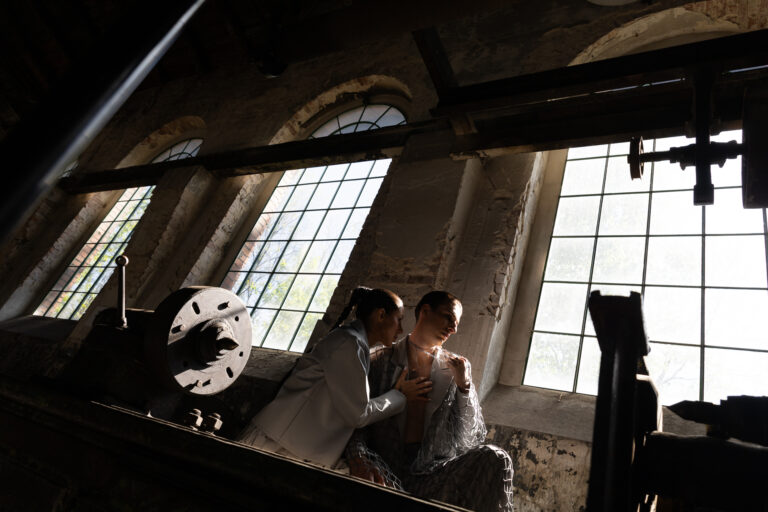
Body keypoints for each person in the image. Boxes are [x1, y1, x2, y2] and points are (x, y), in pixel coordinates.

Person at [346, 291, 514, 511]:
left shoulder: (455, 369)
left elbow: (469, 438)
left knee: (497, 458)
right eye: (448, 318)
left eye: (456, 324)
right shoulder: (379, 359)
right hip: (385, 466)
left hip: (433, 475)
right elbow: (357, 416)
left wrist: (464, 386)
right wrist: (357, 456)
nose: (453, 328)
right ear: (425, 311)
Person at [238, 286, 432, 468]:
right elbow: (358, 414)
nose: (401, 329)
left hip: (289, 444)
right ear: (381, 315)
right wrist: (400, 395)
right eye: (399, 319)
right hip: (273, 444)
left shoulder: (356, 344)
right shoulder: (349, 344)